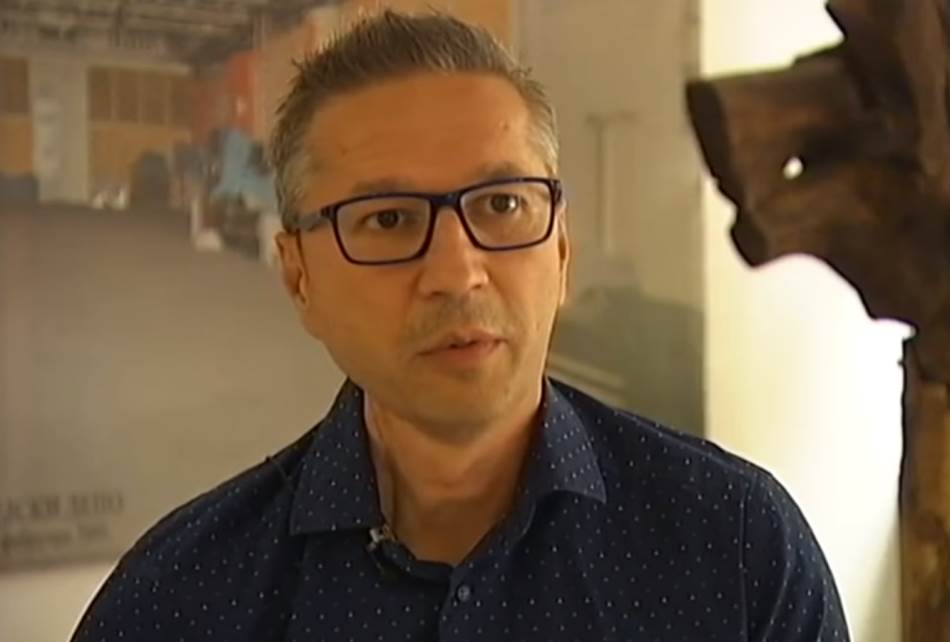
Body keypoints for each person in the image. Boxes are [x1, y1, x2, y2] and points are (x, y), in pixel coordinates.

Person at [72, 9, 850, 642]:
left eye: (503, 205)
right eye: (387, 219)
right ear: (299, 275)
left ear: (561, 249)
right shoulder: (180, 600)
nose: (456, 272)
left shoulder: (737, 549)